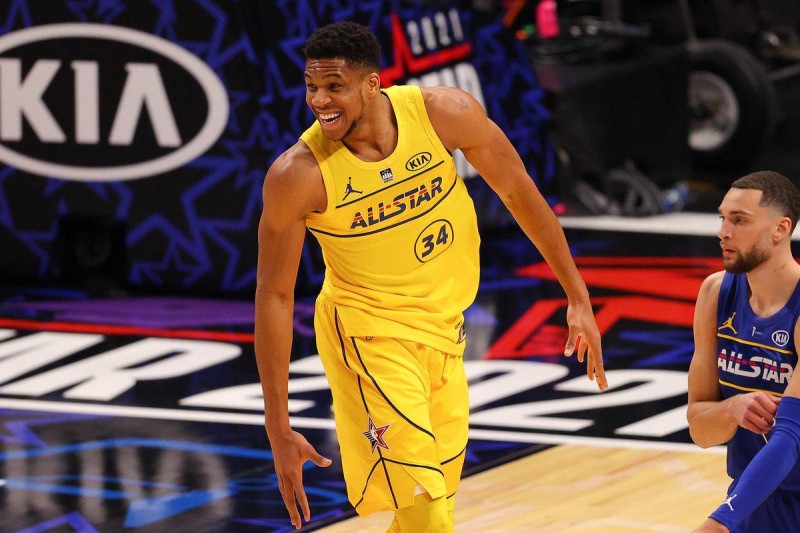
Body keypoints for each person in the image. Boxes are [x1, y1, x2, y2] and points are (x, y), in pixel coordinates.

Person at [254, 21, 607, 532]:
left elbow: (519, 192)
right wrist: (278, 427)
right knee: (426, 509)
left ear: (372, 83)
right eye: (312, 86)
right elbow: (275, 295)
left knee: (431, 505)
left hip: (444, 328)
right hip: (368, 335)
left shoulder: (444, 115)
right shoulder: (298, 175)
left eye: (334, 86)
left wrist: (577, 296)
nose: (319, 100)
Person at [688, 171, 800, 532]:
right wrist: (732, 408)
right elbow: (701, 429)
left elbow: (791, 437)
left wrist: (721, 522)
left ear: (780, 229)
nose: (723, 231)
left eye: (739, 220)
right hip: (751, 499)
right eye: (722, 218)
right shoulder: (715, 293)